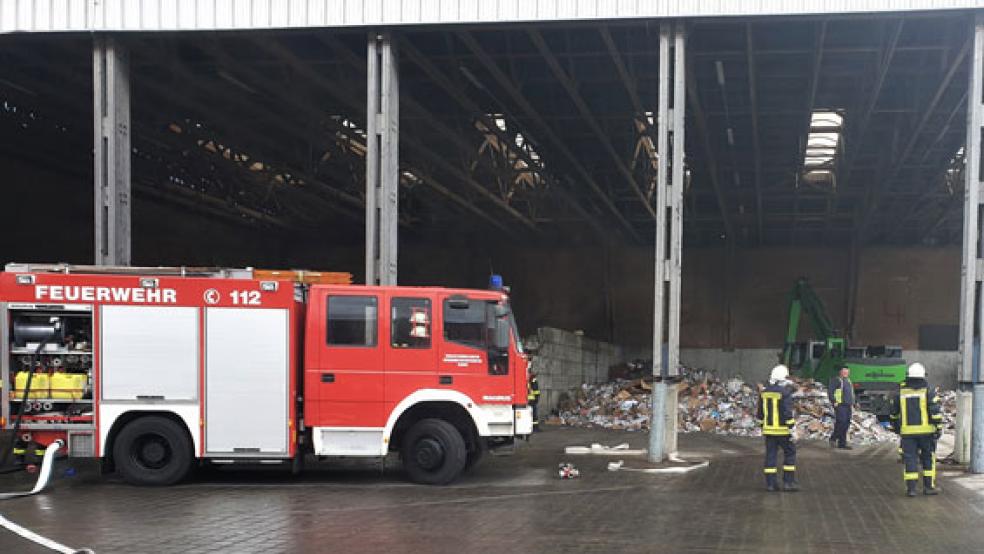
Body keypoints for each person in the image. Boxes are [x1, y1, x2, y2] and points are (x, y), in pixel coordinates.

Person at [889, 362, 943, 497]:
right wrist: (938, 427)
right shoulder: (929, 390)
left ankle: (911, 489)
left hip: (908, 433)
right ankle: (928, 487)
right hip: (926, 433)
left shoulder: (900, 391)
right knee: (927, 459)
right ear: (923, 376)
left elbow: (894, 412)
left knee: (910, 460)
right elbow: (935, 411)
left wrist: (896, 426)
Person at [757, 364, 800, 492]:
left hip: (769, 431)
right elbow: (787, 413)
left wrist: (762, 426)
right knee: (790, 454)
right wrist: (792, 429)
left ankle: (770, 484)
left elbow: (760, 413)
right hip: (783, 431)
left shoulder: (764, 392)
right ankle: (788, 483)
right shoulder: (785, 393)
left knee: (770, 455)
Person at [828, 366, 854, 449]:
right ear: (840, 372)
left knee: (846, 423)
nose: (846, 373)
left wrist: (854, 403)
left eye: (847, 371)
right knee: (841, 422)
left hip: (848, 405)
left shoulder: (848, 381)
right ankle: (833, 438)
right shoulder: (836, 380)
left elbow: (851, 393)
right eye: (844, 371)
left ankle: (842, 444)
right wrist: (834, 401)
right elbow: (831, 391)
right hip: (840, 405)